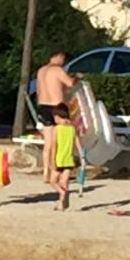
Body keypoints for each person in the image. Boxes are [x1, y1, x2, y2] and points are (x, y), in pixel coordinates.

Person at [35, 48, 79, 184]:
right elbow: (70, 83)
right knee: (61, 139)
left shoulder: (41, 71)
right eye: (63, 59)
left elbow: (38, 90)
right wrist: (77, 77)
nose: (63, 61)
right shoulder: (58, 70)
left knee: (48, 142)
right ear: (59, 56)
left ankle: (46, 172)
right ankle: (58, 169)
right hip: (57, 107)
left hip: (43, 105)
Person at [50, 103, 82, 211]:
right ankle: (61, 204)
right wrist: (81, 154)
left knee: (53, 181)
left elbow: (54, 146)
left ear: (58, 116)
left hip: (59, 159)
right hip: (69, 160)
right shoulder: (72, 128)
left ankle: (61, 193)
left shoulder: (57, 129)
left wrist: (52, 160)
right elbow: (77, 141)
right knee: (64, 182)